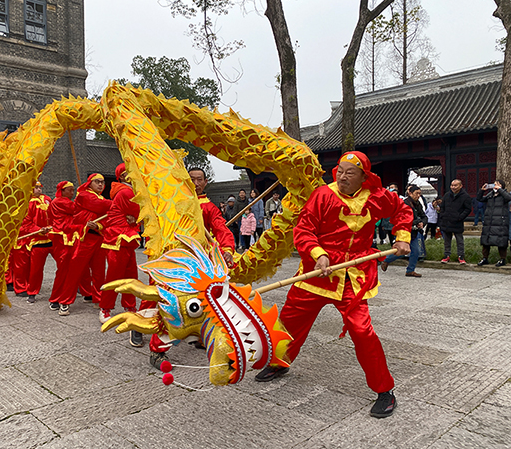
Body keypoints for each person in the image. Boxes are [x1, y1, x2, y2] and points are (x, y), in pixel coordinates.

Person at [254, 151, 413, 420]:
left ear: (364, 176)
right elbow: (304, 230)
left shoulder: (375, 197)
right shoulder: (323, 195)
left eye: (350, 172)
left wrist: (402, 236)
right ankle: (279, 362)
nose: (342, 176)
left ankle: (385, 391)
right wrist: (318, 253)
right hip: (316, 274)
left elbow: (402, 209)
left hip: (352, 278)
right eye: (340, 170)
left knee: (363, 332)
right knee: (289, 322)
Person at [149, 167, 235, 369]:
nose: (195, 183)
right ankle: (156, 348)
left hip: (198, 264)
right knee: (165, 302)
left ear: (205, 183)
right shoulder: (173, 201)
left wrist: (228, 248)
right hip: (172, 258)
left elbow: (220, 227)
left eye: (199, 180)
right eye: (192, 179)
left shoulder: (208, 207)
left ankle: (200, 336)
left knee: (204, 303)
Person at [57, 174, 112, 316]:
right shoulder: (84, 195)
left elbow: (108, 219)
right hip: (83, 237)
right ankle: (65, 301)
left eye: (102, 182)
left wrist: (98, 225)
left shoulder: (101, 199)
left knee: (99, 271)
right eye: (97, 182)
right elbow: (101, 207)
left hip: (98, 238)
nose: (100, 184)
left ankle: (98, 299)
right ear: (89, 183)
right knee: (75, 270)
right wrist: (119, 202)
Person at [100, 164, 142, 347]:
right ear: (121, 177)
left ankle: (130, 306)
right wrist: (135, 217)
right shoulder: (125, 192)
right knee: (114, 276)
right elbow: (140, 211)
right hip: (117, 239)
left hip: (127, 240)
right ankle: (105, 308)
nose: (129, 176)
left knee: (131, 276)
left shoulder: (131, 191)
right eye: (125, 174)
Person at [47, 181, 90, 311]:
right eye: (69, 190)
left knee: (70, 268)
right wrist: (83, 196)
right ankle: (56, 298)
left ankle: (82, 292)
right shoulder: (60, 201)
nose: (71, 193)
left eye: (73, 190)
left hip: (68, 236)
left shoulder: (56, 202)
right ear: (62, 191)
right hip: (63, 238)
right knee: (64, 268)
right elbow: (76, 209)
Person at [381, 185, 427, 277]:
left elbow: (424, 216)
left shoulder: (418, 204)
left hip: (414, 231)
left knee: (416, 251)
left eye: (419, 194)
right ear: (410, 193)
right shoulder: (405, 203)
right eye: (416, 193)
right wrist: (417, 221)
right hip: (404, 231)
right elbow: (403, 220)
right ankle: (386, 260)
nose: (418, 196)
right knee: (401, 250)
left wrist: (422, 223)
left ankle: (410, 270)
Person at [24, 182, 53, 303]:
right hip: (37, 240)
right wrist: (39, 230)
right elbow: (26, 222)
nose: (39, 190)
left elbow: (55, 216)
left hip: (52, 237)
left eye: (40, 187)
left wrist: (51, 227)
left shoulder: (47, 199)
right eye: (36, 188)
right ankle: (32, 292)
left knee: (65, 263)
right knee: (36, 269)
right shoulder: (27, 203)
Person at [476, 181, 511, 267]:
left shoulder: (504, 194)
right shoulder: (490, 195)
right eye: (494, 184)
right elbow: (480, 199)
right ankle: (485, 258)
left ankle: (502, 259)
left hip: (500, 221)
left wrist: (500, 190)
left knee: (501, 240)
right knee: (486, 240)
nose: (495, 186)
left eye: (497, 184)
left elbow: (508, 198)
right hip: (489, 221)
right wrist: (482, 190)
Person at [438, 179, 472, 264]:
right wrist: (442, 215)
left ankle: (461, 256)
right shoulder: (447, 195)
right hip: (447, 221)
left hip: (457, 222)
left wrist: (460, 217)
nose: (453, 187)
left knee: (459, 240)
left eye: (455, 185)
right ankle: (446, 255)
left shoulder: (465, 196)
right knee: (446, 240)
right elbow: (442, 207)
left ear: (461, 186)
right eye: (452, 185)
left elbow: (467, 209)